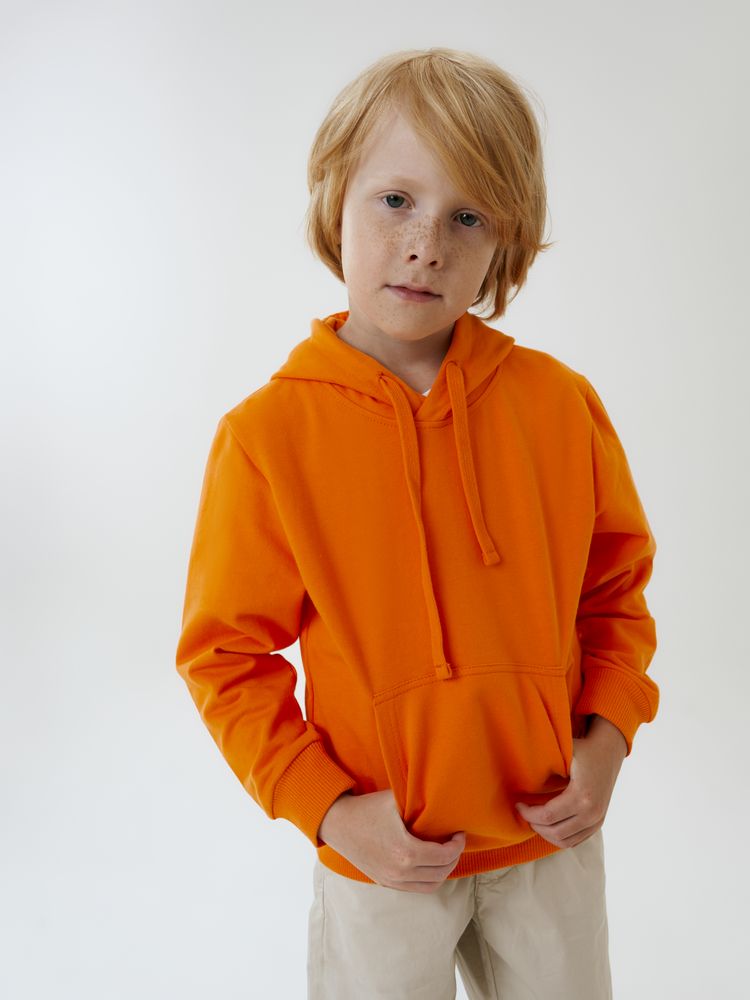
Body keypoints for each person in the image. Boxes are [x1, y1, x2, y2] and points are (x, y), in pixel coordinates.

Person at [175, 47, 659, 1000]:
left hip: (551, 840)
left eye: (467, 216)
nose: (426, 243)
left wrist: (606, 743)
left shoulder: (560, 405)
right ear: (334, 202)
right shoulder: (268, 437)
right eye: (395, 200)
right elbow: (225, 658)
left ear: (506, 243)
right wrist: (329, 811)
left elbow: (615, 594)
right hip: (383, 856)